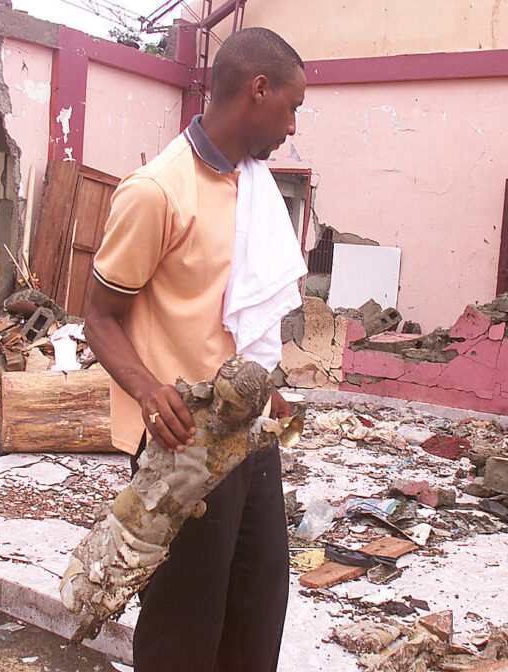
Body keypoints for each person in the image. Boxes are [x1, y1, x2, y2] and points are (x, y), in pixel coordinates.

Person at [82, 27, 307, 672]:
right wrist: (149, 390)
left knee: (256, 610)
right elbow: (97, 316)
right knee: (185, 626)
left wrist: (268, 382)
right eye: (290, 107)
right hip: (180, 449)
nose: (292, 126)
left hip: (248, 439)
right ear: (256, 90)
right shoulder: (156, 191)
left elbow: (238, 308)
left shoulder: (251, 183)